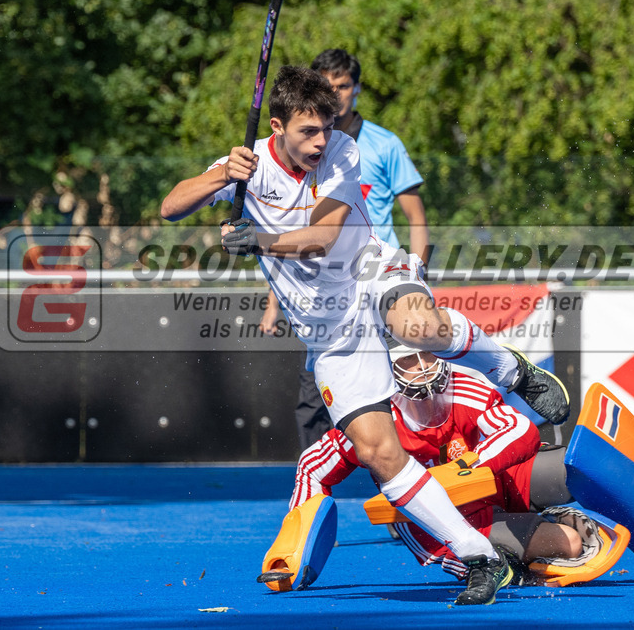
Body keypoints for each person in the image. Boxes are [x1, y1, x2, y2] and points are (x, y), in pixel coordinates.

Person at [159, 65, 569, 605]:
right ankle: (480, 557)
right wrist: (221, 177)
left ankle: (510, 369)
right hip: (329, 332)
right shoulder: (247, 163)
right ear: (277, 126)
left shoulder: (341, 153)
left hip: (369, 273)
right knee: (377, 452)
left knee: (417, 326)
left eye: (326, 127)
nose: (320, 140)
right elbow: (170, 207)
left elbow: (323, 237)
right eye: (308, 130)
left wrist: (256, 238)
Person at [290, 344, 590, 583]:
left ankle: (548, 519)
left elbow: (520, 429)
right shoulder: (369, 421)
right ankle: (515, 551)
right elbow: (312, 467)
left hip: (495, 482)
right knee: (571, 543)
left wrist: (468, 467)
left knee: (579, 469)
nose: (424, 366)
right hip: (452, 522)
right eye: (409, 358)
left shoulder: (463, 387)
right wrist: (296, 547)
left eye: (427, 353)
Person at [259, 49, 431, 450]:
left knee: (411, 392)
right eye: (328, 86)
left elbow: (416, 217)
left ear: (357, 89)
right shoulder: (298, 152)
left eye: (343, 86)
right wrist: (272, 301)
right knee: (314, 403)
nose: (336, 94)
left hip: (378, 279)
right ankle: (317, 480)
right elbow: (291, 237)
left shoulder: (383, 145)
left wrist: (417, 273)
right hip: (325, 295)